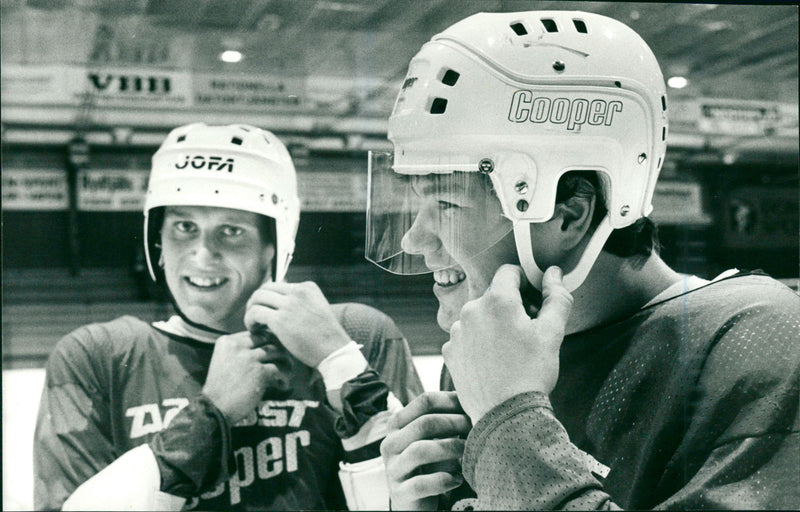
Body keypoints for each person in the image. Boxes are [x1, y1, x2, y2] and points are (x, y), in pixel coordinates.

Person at [366, 10, 800, 510]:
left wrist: (510, 422)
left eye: (446, 205)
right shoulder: (484, 346)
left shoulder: (755, 337)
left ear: (570, 215)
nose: (417, 238)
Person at [34, 122, 424, 510]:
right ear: (158, 241)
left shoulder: (357, 333)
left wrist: (339, 362)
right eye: (184, 227)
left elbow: (417, 501)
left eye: (232, 231)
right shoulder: (98, 357)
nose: (202, 254)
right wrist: (210, 415)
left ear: (275, 244)